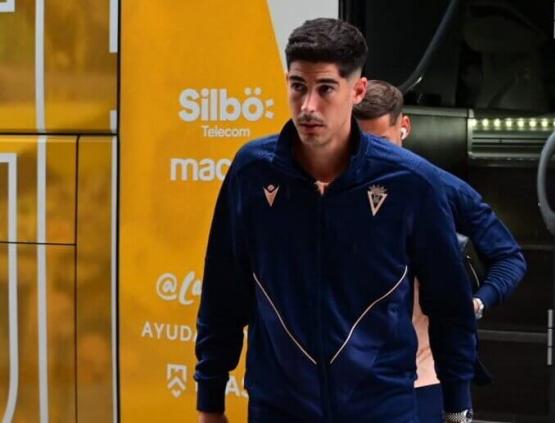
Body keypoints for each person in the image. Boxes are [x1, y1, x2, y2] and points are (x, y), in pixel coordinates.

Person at [196, 18, 479, 423]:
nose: (308, 106)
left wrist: (455, 408)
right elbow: (224, 291)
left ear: (357, 90)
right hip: (279, 407)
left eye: (325, 88)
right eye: (298, 87)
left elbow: (449, 305)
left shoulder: (410, 182)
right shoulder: (252, 172)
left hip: (382, 407)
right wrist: (210, 401)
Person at [354, 80, 527, 422]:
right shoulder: (333, 191)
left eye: (382, 144)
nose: (372, 158)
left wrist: (479, 300)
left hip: (425, 377)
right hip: (351, 375)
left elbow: (509, 256)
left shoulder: (439, 187)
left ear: (404, 127)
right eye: (359, 145)